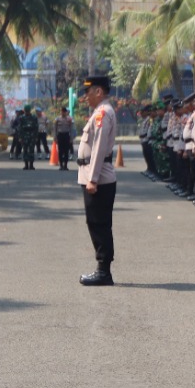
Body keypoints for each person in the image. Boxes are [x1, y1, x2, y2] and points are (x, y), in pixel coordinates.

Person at [76, 76, 119, 285]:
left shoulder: (102, 113)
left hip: (99, 179)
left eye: (88, 92)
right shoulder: (99, 112)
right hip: (95, 177)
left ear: (99, 92)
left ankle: (104, 271)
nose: (85, 97)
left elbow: (100, 148)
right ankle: (103, 269)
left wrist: (92, 179)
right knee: (96, 223)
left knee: (99, 224)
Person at [17, 106, 40, 170]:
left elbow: (36, 127)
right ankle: (26, 165)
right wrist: (20, 137)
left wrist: (36, 136)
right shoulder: (22, 118)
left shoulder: (34, 117)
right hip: (24, 136)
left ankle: (31, 165)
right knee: (25, 150)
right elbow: (20, 128)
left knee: (31, 150)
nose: (27, 112)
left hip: (32, 136)